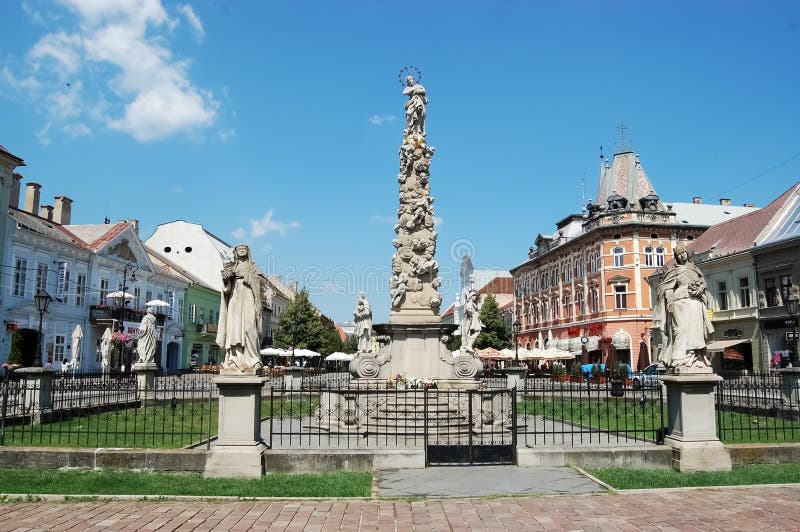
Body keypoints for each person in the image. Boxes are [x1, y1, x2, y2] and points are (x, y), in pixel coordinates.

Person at [654, 243, 714, 370]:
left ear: (687, 253)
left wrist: (700, 288)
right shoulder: (674, 271)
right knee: (680, 330)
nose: (681, 256)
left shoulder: (694, 269)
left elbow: (703, 282)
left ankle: (696, 356)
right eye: (678, 254)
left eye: (683, 253)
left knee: (696, 330)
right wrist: (670, 302)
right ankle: (680, 357)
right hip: (680, 304)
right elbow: (667, 288)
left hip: (695, 304)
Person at [216, 244, 267, 373]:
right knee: (234, 330)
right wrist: (227, 280)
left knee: (250, 329)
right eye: (239, 249)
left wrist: (249, 278)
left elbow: (263, 284)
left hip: (249, 299)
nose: (242, 250)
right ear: (236, 252)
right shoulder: (231, 267)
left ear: (248, 252)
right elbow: (226, 290)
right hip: (235, 300)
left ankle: (254, 360)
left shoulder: (253, 268)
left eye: (244, 248)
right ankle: (234, 360)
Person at [462, 290, 483, 354]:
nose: (475, 297)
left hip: (475, 319)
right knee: (477, 332)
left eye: (475, 296)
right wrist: (472, 318)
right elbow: (469, 311)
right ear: (471, 296)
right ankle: (469, 345)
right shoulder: (470, 303)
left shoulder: (473, 303)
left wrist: (480, 322)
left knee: (476, 332)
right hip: (473, 319)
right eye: (474, 296)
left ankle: (469, 345)